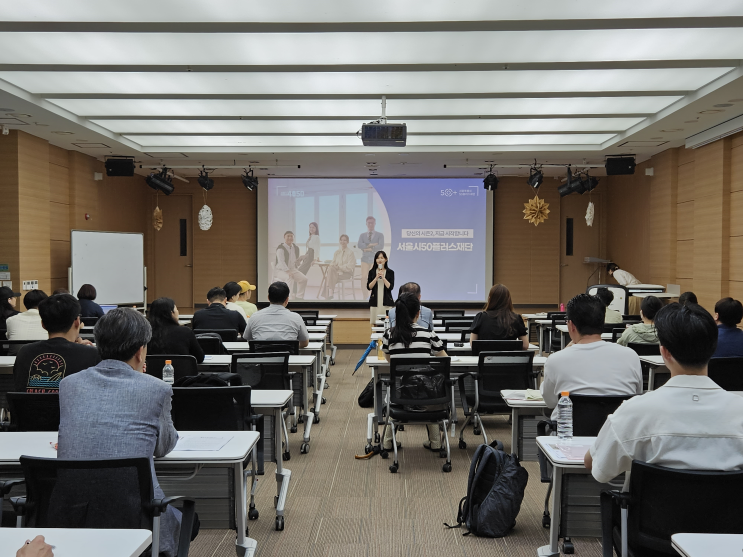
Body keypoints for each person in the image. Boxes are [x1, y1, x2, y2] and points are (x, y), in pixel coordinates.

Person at [58, 308, 186, 557]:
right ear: (140, 351)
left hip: (74, 513)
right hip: (137, 514)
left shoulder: (68, 384)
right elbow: (163, 447)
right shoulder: (156, 388)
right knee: (185, 521)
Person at [585, 302, 743, 488]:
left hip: (649, 508)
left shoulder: (634, 411)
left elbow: (596, 465)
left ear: (664, 352)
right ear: (713, 347)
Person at [541, 293, 642, 420]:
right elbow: (636, 396)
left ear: (571, 325)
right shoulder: (631, 356)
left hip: (570, 431)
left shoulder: (556, 360)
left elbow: (550, 402)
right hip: (618, 430)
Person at [381, 293, 448, 451]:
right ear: (418, 313)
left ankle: (387, 442)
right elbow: (444, 361)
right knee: (429, 394)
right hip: (426, 396)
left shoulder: (389, 335)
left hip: (399, 396)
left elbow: (391, 362)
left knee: (395, 395)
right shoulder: (428, 334)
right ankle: (436, 442)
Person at [13, 293, 100, 393]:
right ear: (77, 321)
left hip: (29, 404)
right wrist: (82, 350)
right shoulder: (91, 355)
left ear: (43, 324)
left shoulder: (24, 352)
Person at [243, 281, 309, 348]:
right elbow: (304, 343)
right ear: (287, 300)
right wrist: (291, 346)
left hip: (261, 355)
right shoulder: (296, 318)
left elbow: (249, 339)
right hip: (288, 354)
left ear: (268, 298)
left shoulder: (254, 317)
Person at [468, 284, 528, 348]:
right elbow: (525, 345)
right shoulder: (516, 318)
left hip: (486, 354)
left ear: (490, 299)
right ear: (508, 300)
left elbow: (473, 344)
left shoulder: (480, 317)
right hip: (508, 354)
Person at [147, 297, 204, 363]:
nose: (178, 312)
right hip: (182, 369)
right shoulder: (186, 332)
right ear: (172, 313)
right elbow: (200, 358)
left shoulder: (146, 333)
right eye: (176, 309)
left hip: (152, 370)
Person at [274, 231, 307, 300]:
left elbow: (295, 262)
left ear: (293, 238)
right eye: (288, 236)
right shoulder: (280, 248)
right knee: (290, 277)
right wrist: (288, 271)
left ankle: (299, 297)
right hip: (280, 270)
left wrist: (299, 260)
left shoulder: (296, 248)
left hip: (292, 269)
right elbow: (281, 262)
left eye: (291, 236)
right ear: (284, 237)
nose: (290, 238)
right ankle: (289, 298)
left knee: (304, 279)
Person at [322, 234, 356, 299]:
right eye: (341, 240)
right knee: (331, 269)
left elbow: (350, 266)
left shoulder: (350, 253)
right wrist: (334, 266)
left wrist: (339, 267)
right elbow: (332, 263)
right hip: (337, 273)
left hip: (346, 274)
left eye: (344, 240)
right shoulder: (337, 252)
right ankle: (330, 294)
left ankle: (329, 294)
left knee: (328, 277)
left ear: (347, 242)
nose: (342, 242)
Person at [367, 250, 394, 324]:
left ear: (386, 259)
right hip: (375, 302)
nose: (380, 260)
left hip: (386, 301)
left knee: (386, 323)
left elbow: (390, 287)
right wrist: (376, 278)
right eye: (378, 258)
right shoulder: (372, 272)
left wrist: (383, 278)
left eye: (382, 258)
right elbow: (369, 287)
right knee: (375, 323)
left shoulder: (390, 272)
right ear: (375, 260)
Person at [358, 216, 384, 287]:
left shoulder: (380, 235)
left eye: (372, 223)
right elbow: (359, 245)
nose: (370, 224)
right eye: (369, 223)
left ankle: (373, 293)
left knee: (373, 277)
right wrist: (372, 244)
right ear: (366, 224)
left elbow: (381, 246)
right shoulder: (362, 235)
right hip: (365, 259)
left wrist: (370, 249)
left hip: (375, 259)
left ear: (375, 223)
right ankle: (364, 293)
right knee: (363, 277)